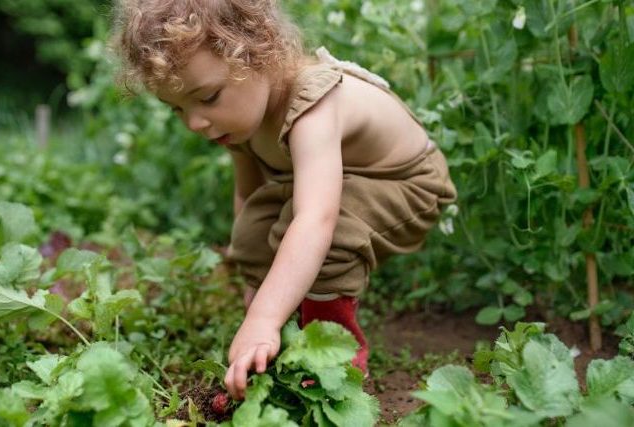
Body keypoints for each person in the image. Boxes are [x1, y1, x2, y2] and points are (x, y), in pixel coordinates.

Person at [113, 0, 457, 401]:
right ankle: (284, 333)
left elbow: (316, 219)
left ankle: (332, 360)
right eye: (177, 109)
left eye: (207, 98)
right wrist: (256, 281)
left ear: (258, 54)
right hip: (339, 187)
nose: (195, 122)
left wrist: (263, 317)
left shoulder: (313, 104)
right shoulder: (239, 121)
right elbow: (250, 199)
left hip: (408, 184)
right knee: (257, 227)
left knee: (330, 234)